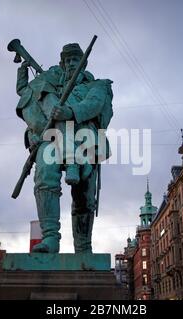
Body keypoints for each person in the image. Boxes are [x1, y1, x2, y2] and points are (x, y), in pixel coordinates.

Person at [14, 42, 113, 254]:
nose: (70, 63)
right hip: (51, 138)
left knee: (84, 197)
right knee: (44, 175)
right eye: (67, 60)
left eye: (75, 60)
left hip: (86, 139)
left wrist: (70, 112)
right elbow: (31, 107)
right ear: (61, 63)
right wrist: (32, 134)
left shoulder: (98, 85)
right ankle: (50, 237)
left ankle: (83, 247)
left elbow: (94, 105)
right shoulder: (48, 86)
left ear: (83, 63)